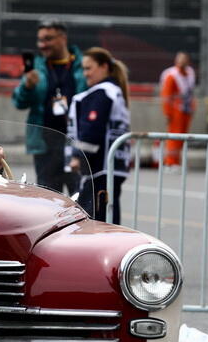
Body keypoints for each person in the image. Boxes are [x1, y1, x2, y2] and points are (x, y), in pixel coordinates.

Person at [12, 19, 87, 193]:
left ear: (63, 38)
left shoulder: (83, 66)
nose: (42, 45)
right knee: (48, 200)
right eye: (40, 40)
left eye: (48, 39)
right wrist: (27, 87)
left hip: (76, 144)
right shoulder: (36, 68)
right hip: (45, 145)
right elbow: (19, 102)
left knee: (81, 197)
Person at [66, 47, 131, 225]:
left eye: (89, 68)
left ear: (104, 67)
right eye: (83, 69)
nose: (85, 73)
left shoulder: (102, 93)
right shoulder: (114, 91)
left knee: (95, 221)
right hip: (113, 166)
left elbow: (92, 129)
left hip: (99, 169)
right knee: (109, 215)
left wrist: (78, 156)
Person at [160, 51, 196, 166]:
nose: (181, 62)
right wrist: (167, 113)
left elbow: (191, 92)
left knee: (182, 137)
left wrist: (193, 107)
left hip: (187, 109)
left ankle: (177, 161)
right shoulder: (171, 75)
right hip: (176, 110)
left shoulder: (190, 73)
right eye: (180, 59)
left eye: (184, 59)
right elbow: (166, 96)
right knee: (174, 136)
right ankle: (170, 162)